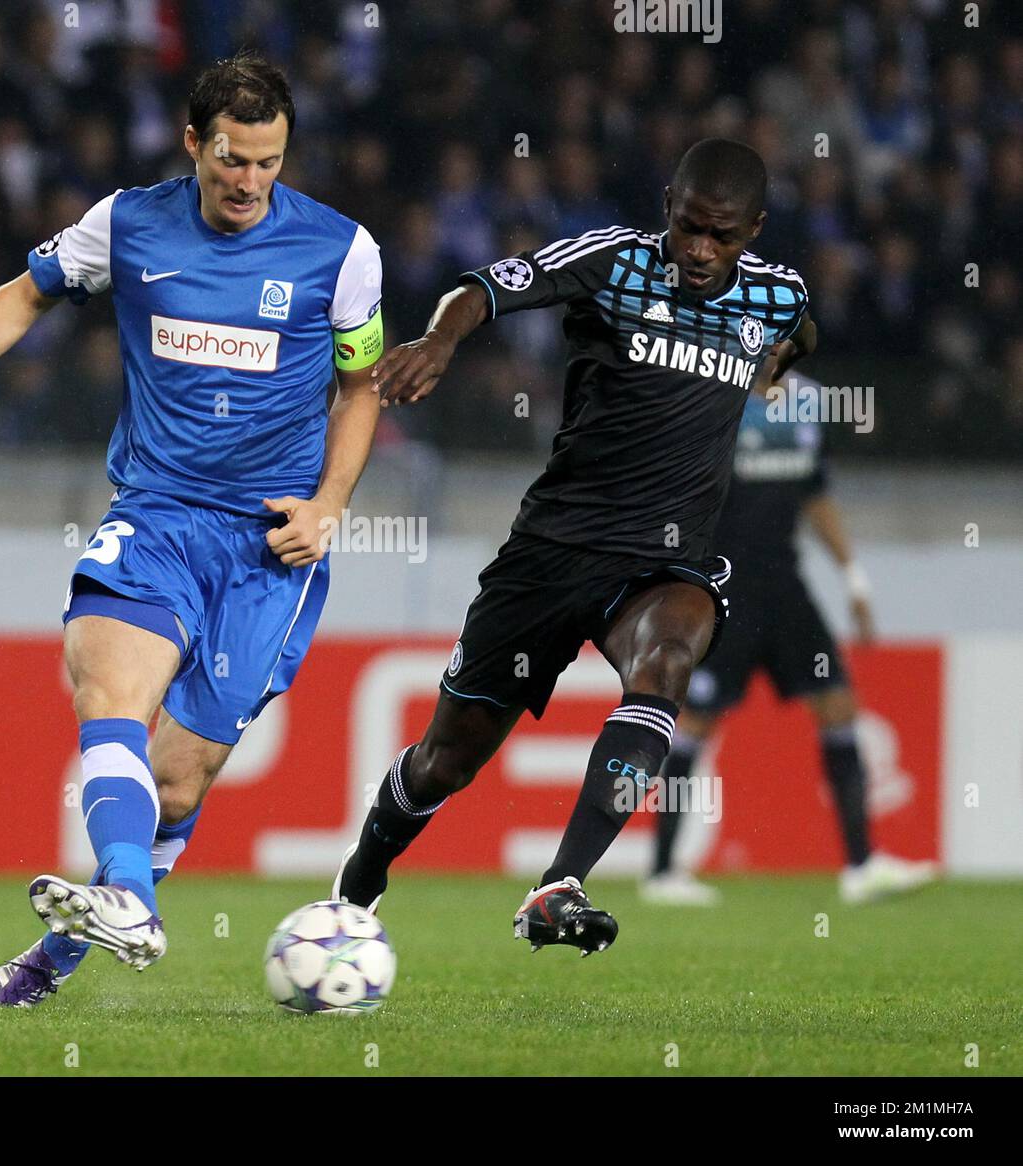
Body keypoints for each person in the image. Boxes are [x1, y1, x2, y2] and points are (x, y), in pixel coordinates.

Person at [0, 52, 385, 1006]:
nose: (249, 183)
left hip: (270, 546)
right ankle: (132, 902)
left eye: (270, 163)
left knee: (180, 783)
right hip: (155, 513)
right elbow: (27, 292)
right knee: (104, 680)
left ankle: (47, 969)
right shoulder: (128, 223)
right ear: (193, 144)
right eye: (232, 160)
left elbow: (362, 388)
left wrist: (330, 506)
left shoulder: (342, 253)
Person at [335, 138, 814, 956]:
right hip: (553, 551)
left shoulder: (776, 295)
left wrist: (776, 359)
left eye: (722, 237)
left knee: (666, 663)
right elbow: (486, 286)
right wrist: (442, 342)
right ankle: (357, 887)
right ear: (668, 204)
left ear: (754, 231)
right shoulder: (615, 262)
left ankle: (560, 885)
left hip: (667, 561)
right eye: (690, 227)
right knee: (446, 762)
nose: (701, 251)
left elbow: (802, 328)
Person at [641, 381, 937, 907]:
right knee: (693, 720)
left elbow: (816, 496)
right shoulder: (711, 396)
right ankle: (662, 871)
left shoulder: (809, 402)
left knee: (839, 704)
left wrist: (854, 578)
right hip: (725, 587)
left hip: (785, 587)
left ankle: (861, 867)